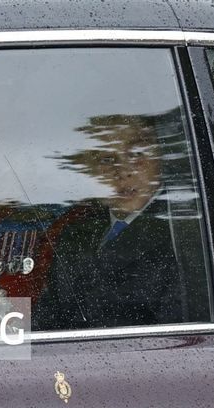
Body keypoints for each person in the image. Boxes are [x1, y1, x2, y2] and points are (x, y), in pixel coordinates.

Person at [32, 113, 185, 330]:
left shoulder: (184, 233)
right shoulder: (74, 234)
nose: (122, 172)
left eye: (137, 153)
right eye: (106, 159)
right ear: (88, 169)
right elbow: (44, 323)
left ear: (161, 155)